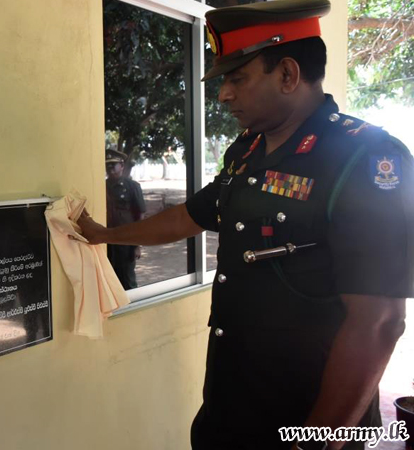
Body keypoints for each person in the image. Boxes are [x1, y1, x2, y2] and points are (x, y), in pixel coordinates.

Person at [78, 1, 413, 449]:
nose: (223, 95)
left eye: (237, 78)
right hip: (232, 408)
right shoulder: (248, 150)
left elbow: (379, 322)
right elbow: (190, 215)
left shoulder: (365, 159)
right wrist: (104, 235)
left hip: (309, 417)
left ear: (288, 74)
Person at [105, 149, 146, 290]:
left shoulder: (132, 187)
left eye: (113, 165)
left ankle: (132, 309)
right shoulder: (101, 186)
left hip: (126, 242)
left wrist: (137, 245)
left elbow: (140, 216)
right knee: (110, 279)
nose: (110, 169)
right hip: (107, 241)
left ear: (122, 166)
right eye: (107, 166)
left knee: (128, 280)